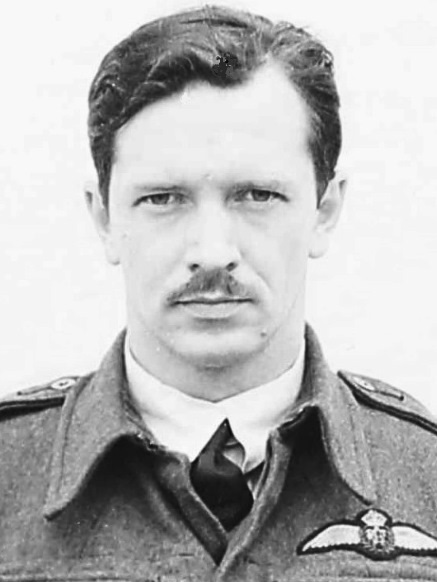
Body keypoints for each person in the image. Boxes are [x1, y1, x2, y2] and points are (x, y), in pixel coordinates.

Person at [2, 5, 437, 581]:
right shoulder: (8, 472)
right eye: (163, 198)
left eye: (257, 195)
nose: (212, 251)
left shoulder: (426, 476)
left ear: (325, 210)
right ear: (103, 217)